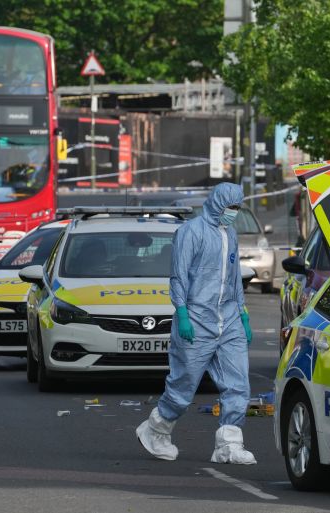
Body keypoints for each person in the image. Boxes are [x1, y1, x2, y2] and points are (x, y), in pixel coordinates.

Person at [136, 182, 256, 465]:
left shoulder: (231, 234)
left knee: (238, 383)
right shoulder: (191, 232)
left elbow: (234, 276)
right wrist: (183, 313)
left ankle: (229, 444)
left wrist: (243, 313)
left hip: (228, 321)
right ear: (217, 204)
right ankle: (156, 430)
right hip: (196, 319)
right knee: (184, 385)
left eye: (238, 207)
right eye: (232, 207)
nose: (234, 212)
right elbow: (179, 276)